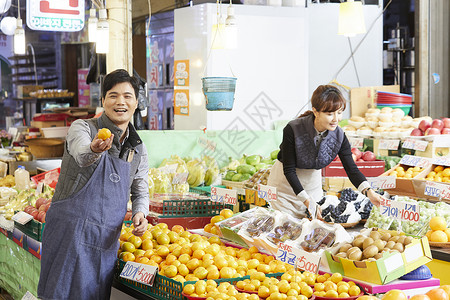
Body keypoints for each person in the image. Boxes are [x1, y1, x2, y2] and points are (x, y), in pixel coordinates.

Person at [38, 69, 149, 300]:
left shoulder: (137, 148)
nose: (120, 102)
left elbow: (140, 188)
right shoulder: (83, 128)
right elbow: (81, 154)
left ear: (137, 102)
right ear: (103, 100)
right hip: (69, 235)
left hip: (104, 241)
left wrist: (140, 212)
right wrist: (94, 149)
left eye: (128, 96)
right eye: (113, 95)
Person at [268, 85, 382, 220]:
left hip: (312, 186)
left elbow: (351, 169)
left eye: (339, 112)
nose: (336, 119)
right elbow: (289, 170)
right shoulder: (293, 129)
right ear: (315, 112)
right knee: (284, 228)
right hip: (284, 188)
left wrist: (369, 192)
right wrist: (305, 199)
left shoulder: (339, 136)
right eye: (329, 114)